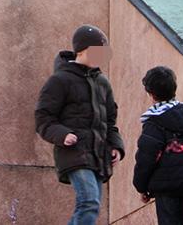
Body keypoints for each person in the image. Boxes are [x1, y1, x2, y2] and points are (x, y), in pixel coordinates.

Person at [35, 25, 125, 225]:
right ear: (82, 50)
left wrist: (116, 146)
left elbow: (110, 120)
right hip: (74, 151)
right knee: (88, 202)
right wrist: (62, 135)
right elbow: (43, 118)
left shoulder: (103, 82)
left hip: (99, 155)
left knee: (91, 206)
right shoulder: (60, 80)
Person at [132, 66, 183, 225]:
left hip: (165, 187)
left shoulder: (154, 123)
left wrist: (141, 186)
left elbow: (146, 158)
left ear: (151, 94)